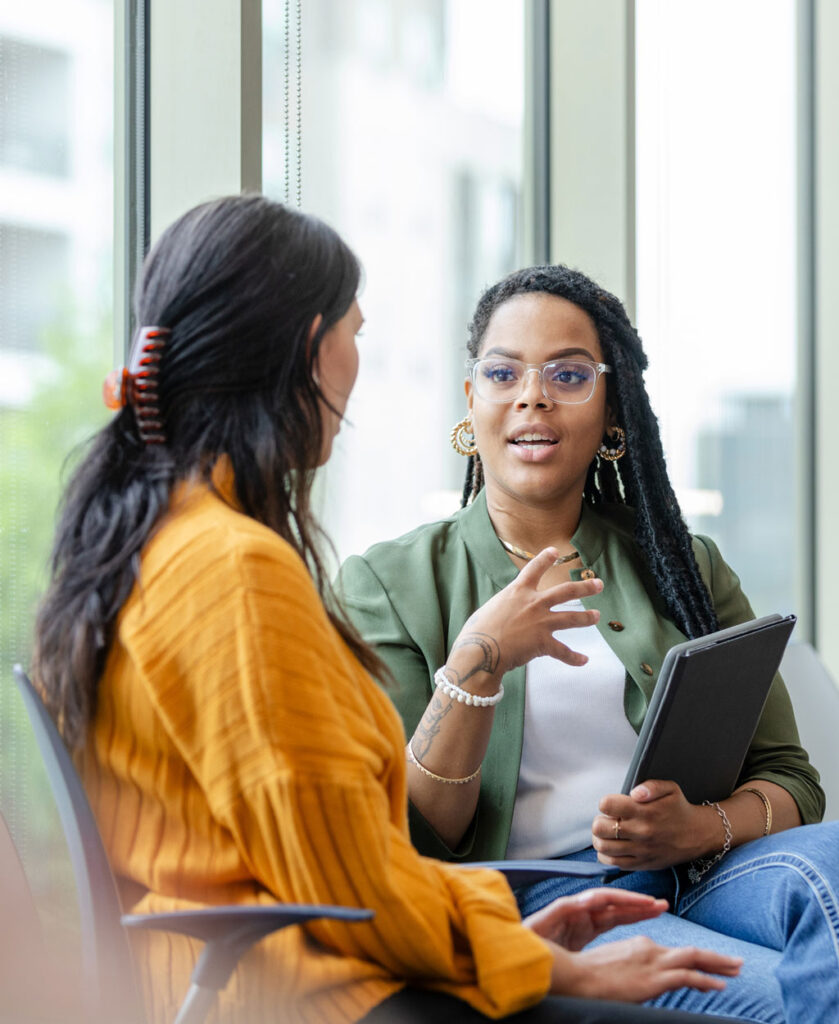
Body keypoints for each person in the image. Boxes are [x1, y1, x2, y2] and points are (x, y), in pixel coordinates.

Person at [29, 197, 741, 1024]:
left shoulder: (161, 543)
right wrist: (545, 966)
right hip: (306, 993)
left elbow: (342, 866)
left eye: (568, 375)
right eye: (356, 334)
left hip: (271, 969)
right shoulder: (234, 572)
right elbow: (346, 883)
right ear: (311, 349)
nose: (532, 400)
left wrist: (515, 940)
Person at [336, 263, 839, 1024]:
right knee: (771, 1001)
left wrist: (695, 829)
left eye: (568, 374)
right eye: (502, 372)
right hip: (547, 893)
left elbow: (791, 781)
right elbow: (418, 832)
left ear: (612, 415)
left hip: (712, 869)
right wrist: (479, 657)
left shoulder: (683, 566)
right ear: (471, 402)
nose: (532, 394)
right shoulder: (385, 581)